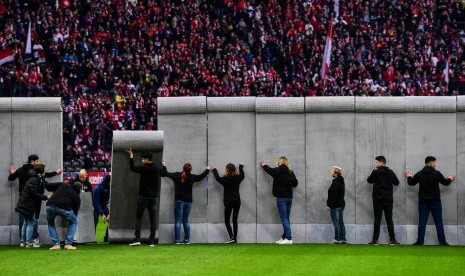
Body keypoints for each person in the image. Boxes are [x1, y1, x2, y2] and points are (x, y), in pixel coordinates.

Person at [8, 154, 62, 247]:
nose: (38, 162)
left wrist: (13, 173)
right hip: (33, 198)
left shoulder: (21, 170)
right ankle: (33, 240)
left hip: (23, 198)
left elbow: (11, 178)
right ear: (32, 162)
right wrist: (56, 172)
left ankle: (23, 241)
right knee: (33, 220)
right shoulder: (35, 174)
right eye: (37, 161)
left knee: (25, 221)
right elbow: (44, 175)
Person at [405, 156, 456, 246]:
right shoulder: (437, 173)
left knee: (422, 222)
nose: (435, 164)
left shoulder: (420, 174)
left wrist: (409, 176)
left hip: (423, 202)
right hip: (435, 201)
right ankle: (443, 242)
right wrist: (450, 178)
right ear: (431, 163)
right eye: (435, 163)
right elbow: (445, 183)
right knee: (438, 222)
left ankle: (420, 241)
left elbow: (411, 183)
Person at [161, 161, 211, 244]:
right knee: (185, 220)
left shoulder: (177, 175)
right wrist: (207, 169)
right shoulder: (192, 177)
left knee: (178, 221)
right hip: (188, 201)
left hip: (179, 201)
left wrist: (164, 165)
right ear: (190, 170)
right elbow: (201, 177)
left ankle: (177, 240)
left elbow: (166, 173)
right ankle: (187, 240)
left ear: (183, 168)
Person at [259, 156, 298, 245]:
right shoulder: (290, 172)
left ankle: (288, 238)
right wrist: (287, 182)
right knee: (286, 218)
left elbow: (269, 170)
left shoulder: (277, 171)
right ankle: (284, 237)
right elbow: (295, 183)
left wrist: (264, 165)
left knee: (284, 219)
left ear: (279, 163)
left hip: (281, 198)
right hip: (289, 198)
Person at [126, 148, 160, 247]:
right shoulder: (157, 168)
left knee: (138, 216)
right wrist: (164, 166)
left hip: (143, 197)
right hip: (153, 198)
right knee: (153, 219)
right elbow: (163, 173)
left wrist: (131, 156)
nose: (141, 161)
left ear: (146, 159)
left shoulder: (144, 168)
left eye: (142, 159)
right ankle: (152, 240)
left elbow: (132, 168)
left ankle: (137, 238)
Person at [366, 156, 400, 245]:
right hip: (388, 199)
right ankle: (392, 240)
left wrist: (370, 175)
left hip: (377, 199)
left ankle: (375, 240)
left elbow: (369, 181)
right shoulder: (390, 172)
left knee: (377, 219)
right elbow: (396, 182)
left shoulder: (375, 172)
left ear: (381, 162)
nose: (375, 164)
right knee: (389, 219)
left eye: (376, 162)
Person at [15, 163, 49, 248]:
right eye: (44, 170)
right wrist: (45, 197)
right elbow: (34, 193)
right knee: (31, 222)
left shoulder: (33, 178)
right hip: (28, 204)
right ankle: (29, 243)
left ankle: (23, 242)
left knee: (26, 222)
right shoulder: (34, 179)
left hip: (25, 203)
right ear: (41, 171)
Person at [212, 163, 245, 244]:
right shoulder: (237, 178)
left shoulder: (225, 179)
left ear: (226, 169)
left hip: (228, 201)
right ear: (234, 169)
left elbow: (217, 178)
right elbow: (242, 175)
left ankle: (231, 237)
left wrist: (215, 170)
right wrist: (241, 167)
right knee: (234, 220)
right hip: (237, 201)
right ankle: (235, 238)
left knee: (227, 220)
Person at [45, 181, 82, 250]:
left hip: (50, 205)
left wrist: (44, 180)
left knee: (50, 223)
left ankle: (56, 244)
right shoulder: (77, 196)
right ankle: (68, 244)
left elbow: (48, 186)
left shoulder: (63, 184)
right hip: (64, 208)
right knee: (74, 221)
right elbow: (75, 211)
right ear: (79, 190)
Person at [326, 166, 346, 244]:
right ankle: (343, 238)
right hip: (341, 204)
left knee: (336, 222)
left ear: (336, 173)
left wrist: (329, 205)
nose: (331, 172)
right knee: (340, 222)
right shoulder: (340, 181)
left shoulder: (336, 183)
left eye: (332, 171)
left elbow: (333, 195)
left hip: (336, 205)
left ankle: (337, 239)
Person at [93, 174, 110, 242]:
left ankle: (107, 236)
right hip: (96, 207)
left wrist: (108, 213)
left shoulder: (109, 188)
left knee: (111, 220)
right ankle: (91, 239)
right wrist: (102, 214)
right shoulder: (97, 189)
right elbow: (96, 204)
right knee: (95, 222)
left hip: (104, 207)